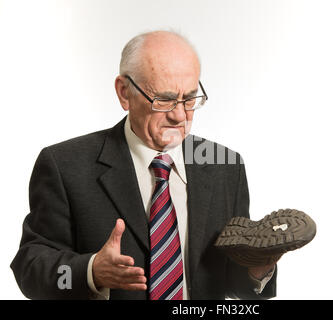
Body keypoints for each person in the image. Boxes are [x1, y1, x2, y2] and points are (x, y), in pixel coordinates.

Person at [10, 31, 278, 300]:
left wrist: (257, 269)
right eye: (164, 99)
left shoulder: (226, 166)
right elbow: (30, 271)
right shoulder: (64, 165)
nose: (179, 115)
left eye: (190, 99)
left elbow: (235, 283)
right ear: (124, 92)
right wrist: (90, 272)